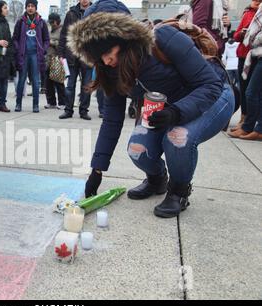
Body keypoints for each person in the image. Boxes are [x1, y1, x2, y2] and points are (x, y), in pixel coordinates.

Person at [72, 12, 234, 218]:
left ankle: (179, 191)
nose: (107, 60)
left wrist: (176, 112)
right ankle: (157, 180)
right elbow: (111, 121)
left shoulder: (163, 38)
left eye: (107, 51)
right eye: (99, 57)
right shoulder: (110, 69)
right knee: (137, 150)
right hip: (168, 108)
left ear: (121, 37)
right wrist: (97, 170)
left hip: (215, 96)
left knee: (176, 138)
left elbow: (210, 84)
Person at [229, 2, 262, 140]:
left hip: (255, 53)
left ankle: (249, 126)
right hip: (252, 54)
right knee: (251, 92)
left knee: (251, 92)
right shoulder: (248, 12)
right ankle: (254, 127)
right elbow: (238, 35)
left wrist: (252, 35)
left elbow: (255, 33)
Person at [58, 0, 93, 120]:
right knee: (70, 85)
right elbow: (63, 35)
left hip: (88, 56)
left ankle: (83, 111)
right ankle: (68, 110)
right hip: (72, 54)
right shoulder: (71, 13)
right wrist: (61, 53)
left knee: (87, 85)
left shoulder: (95, 12)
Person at [13, 0, 49, 113]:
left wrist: (43, 50)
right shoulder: (21, 22)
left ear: (35, 7)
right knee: (21, 80)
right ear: (26, 7)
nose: (30, 8)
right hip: (24, 55)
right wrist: (18, 49)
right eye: (28, 6)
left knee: (35, 80)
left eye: (32, 6)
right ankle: (18, 104)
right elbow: (15, 38)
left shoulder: (41, 22)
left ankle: (35, 105)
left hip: (36, 55)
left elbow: (46, 39)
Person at [44, 12, 66, 110]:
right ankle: (51, 102)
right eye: (50, 22)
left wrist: (52, 42)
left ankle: (62, 102)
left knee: (58, 82)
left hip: (57, 58)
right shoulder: (50, 30)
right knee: (48, 83)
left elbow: (63, 44)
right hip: (48, 59)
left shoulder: (62, 30)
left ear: (57, 21)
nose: (52, 24)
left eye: (53, 22)